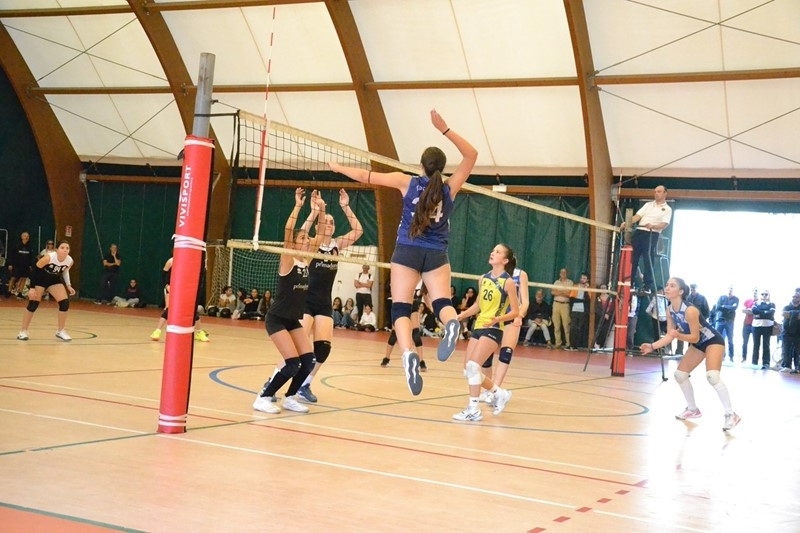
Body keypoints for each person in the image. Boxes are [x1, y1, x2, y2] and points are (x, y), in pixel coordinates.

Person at [328, 109, 477, 396]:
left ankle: (408, 352)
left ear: (421, 166)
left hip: (407, 251)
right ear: (441, 168)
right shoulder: (449, 188)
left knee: (400, 307)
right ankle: (451, 323)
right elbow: (471, 155)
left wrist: (338, 167)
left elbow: (366, 176)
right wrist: (445, 129)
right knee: (442, 301)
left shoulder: (406, 182)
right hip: (436, 253)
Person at [640, 277, 741, 431]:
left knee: (712, 376)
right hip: (698, 344)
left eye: (672, 286)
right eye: (667, 285)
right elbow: (670, 335)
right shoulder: (669, 310)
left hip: (713, 340)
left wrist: (677, 335)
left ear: (681, 291)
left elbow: (695, 337)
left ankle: (731, 414)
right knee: (680, 375)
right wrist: (652, 346)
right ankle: (693, 410)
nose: (667, 288)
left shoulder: (690, 310)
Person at [252, 187, 319, 414]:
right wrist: (298, 206)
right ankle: (263, 397)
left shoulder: (306, 261)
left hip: (292, 320)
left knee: (309, 361)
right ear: (294, 242)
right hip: (277, 318)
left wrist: (317, 211)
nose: (307, 241)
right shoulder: (288, 260)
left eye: (307, 238)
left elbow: (317, 236)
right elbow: (289, 230)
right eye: (302, 238)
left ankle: (290, 398)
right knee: (292, 363)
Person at [297, 188, 363, 403]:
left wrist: (345, 206)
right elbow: (301, 232)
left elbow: (358, 231)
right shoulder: (312, 244)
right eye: (326, 221)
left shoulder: (337, 244)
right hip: (305, 301)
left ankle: (305, 384)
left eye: (332, 223)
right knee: (298, 347)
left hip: (324, 303)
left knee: (323, 350)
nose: (330, 225)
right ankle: (273, 380)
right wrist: (316, 211)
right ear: (319, 225)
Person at [453, 244, 519, 421]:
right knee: (468, 369)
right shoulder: (483, 278)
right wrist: (461, 315)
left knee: (474, 366)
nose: (492, 253)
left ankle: (473, 409)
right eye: (493, 250)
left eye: (498, 252)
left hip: (494, 328)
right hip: (479, 325)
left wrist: (499, 319)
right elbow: (478, 305)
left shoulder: (508, 282)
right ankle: (500, 393)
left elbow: (515, 311)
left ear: (505, 260)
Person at [480, 264, 529, 404]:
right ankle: (488, 390)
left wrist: (520, 315)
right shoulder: (488, 275)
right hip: (494, 317)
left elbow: (525, 301)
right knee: (486, 356)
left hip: (511, 316)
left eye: (498, 253)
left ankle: (495, 392)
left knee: (505, 353)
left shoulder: (520, 274)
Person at [17, 240, 76, 341]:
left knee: (64, 303)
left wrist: (68, 285)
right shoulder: (49, 257)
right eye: (62, 248)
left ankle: (61, 331)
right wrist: (32, 288)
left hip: (54, 280)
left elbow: (65, 271)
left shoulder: (69, 260)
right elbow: (34, 270)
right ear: (57, 249)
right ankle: (23, 331)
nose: (65, 250)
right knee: (33, 304)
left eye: (67, 248)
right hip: (40, 279)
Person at [620, 185, 672, 292]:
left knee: (648, 258)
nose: (656, 193)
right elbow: (637, 216)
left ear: (665, 193)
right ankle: (629, 282)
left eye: (659, 191)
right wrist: (627, 223)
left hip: (652, 234)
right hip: (640, 231)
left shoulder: (667, 209)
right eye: (655, 191)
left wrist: (653, 226)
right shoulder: (648, 205)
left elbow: (664, 224)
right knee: (633, 257)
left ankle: (647, 285)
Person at [149, 257, 210, 342]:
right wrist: (167, 285)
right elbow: (164, 275)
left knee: (191, 310)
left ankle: (199, 332)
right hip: (172, 288)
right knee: (169, 309)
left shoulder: (190, 260)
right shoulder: (171, 261)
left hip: (185, 288)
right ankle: (157, 331)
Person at [381, 283, 428, 371]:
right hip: (401, 305)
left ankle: (421, 361)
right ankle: (386, 358)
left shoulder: (421, 281)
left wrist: (433, 308)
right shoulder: (403, 278)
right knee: (395, 334)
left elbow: (425, 296)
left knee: (416, 334)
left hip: (412, 305)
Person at [676, 283, 710, 355]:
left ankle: (692, 353)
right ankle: (679, 352)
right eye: (691, 289)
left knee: (694, 338)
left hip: (698, 322)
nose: (692, 290)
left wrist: (701, 320)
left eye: (694, 289)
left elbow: (707, 311)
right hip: (686, 321)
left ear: (696, 289)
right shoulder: (687, 298)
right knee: (681, 335)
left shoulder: (702, 298)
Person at [713, 286, 739, 362]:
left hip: (729, 321)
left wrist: (723, 306)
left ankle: (731, 357)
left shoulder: (736, 299)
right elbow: (718, 307)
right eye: (729, 289)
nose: (730, 291)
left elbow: (734, 308)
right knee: (717, 339)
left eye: (731, 289)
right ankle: (718, 355)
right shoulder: (721, 298)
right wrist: (728, 307)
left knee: (730, 340)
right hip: (720, 321)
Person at [750, 289, 775, 369]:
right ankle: (754, 362)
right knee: (756, 345)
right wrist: (765, 312)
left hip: (767, 326)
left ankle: (766, 363)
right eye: (762, 294)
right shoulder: (756, 303)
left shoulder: (772, 304)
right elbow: (754, 311)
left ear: (768, 295)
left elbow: (771, 314)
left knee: (766, 345)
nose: (764, 296)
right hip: (756, 326)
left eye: (766, 294)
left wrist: (760, 313)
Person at [567, 271, 590, 350]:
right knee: (572, 327)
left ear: (587, 280)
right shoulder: (575, 286)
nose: (582, 279)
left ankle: (576, 345)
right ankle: (571, 345)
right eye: (581, 278)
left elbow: (587, 300)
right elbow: (572, 299)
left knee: (579, 328)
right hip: (574, 310)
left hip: (583, 311)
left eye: (584, 278)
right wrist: (581, 300)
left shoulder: (589, 289)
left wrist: (586, 290)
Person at [551, 267, 573, 349]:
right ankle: (558, 343)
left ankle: (568, 343)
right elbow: (553, 292)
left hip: (565, 305)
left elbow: (569, 294)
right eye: (561, 272)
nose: (563, 274)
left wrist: (559, 292)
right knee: (556, 325)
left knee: (566, 325)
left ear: (567, 274)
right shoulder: (556, 282)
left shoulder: (570, 282)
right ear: (559, 274)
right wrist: (563, 292)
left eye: (564, 273)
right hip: (556, 304)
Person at [8, 231, 34, 299]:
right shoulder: (16, 245)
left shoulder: (30, 247)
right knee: (13, 277)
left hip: (25, 266)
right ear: (21, 237)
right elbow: (11, 255)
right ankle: (9, 291)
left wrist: (30, 265)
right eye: (25, 236)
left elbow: (31, 257)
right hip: (16, 265)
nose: (26, 237)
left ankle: (20, 293)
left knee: (24, 278)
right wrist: (10, 264)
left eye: (28, 236)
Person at [780, 291, 800, 373]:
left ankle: (797, 367)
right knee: (786, 349)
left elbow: (789, 315)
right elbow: (784, 314)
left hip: (798, 332)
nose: (794, 298)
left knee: (798, 350)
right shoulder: (787, 307)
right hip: (787, 331)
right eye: (793, 297)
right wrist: (796, 314)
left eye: (796, 297)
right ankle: (787, 366)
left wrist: (790, 314)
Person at [740, 288, 758, 363]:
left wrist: (750, 311)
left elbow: (759, 313)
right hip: (746, 324)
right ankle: (744, 358)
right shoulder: (747, 301)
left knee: (755, 343)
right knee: (745, 342)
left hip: (755, 325)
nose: (755, 292)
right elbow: (743, 310)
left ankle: (754, 360)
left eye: (756, 291)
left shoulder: (759, 303)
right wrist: (753, 312)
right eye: (754, 291)